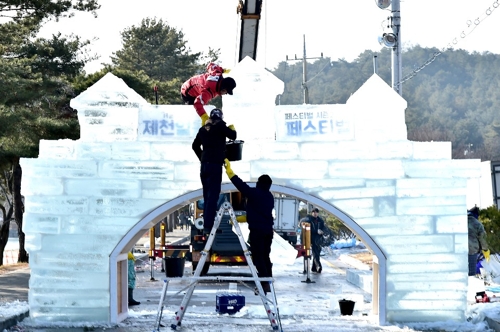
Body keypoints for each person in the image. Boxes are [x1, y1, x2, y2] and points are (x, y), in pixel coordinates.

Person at [224, 158, 274, 294]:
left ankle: (264, 283)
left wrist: (230, 172)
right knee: (265, 256)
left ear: (259, 183)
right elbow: (260, 213)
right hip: (268, 231)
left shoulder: (256, 193)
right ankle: (268, 282)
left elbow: (241, 186)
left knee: (258, 258)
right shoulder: (269, 196)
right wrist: (243, 218)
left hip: (257, 231)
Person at [192, 108, 236, 233]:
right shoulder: (220, 126)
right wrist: (232, 128)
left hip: (204, 166)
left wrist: (202, 157)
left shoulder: (203, 129)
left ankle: (207, 224)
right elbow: (233, 136)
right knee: (213, 196)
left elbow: (194, 146)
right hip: (215, 166)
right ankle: (208, 227)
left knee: (207, 196)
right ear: (220, 117)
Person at [468, 206, 490, 276]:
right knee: (471, 274)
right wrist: (486, 250)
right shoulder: (477, 224)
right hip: (471, 251)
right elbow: (483, 239)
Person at [304, 207, 327, 273]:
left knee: (318, 252)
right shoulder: (309, 220)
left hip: (319, 239)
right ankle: (319, 266)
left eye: (316, 212)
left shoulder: (320, 221)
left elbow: (324, 228)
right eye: (314, 212)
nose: (315, 213)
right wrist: (316, 231)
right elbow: (308, 229)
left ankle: (314, 268)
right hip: (312, 238)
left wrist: (322, 231)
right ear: (312, 213)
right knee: (315, 253)